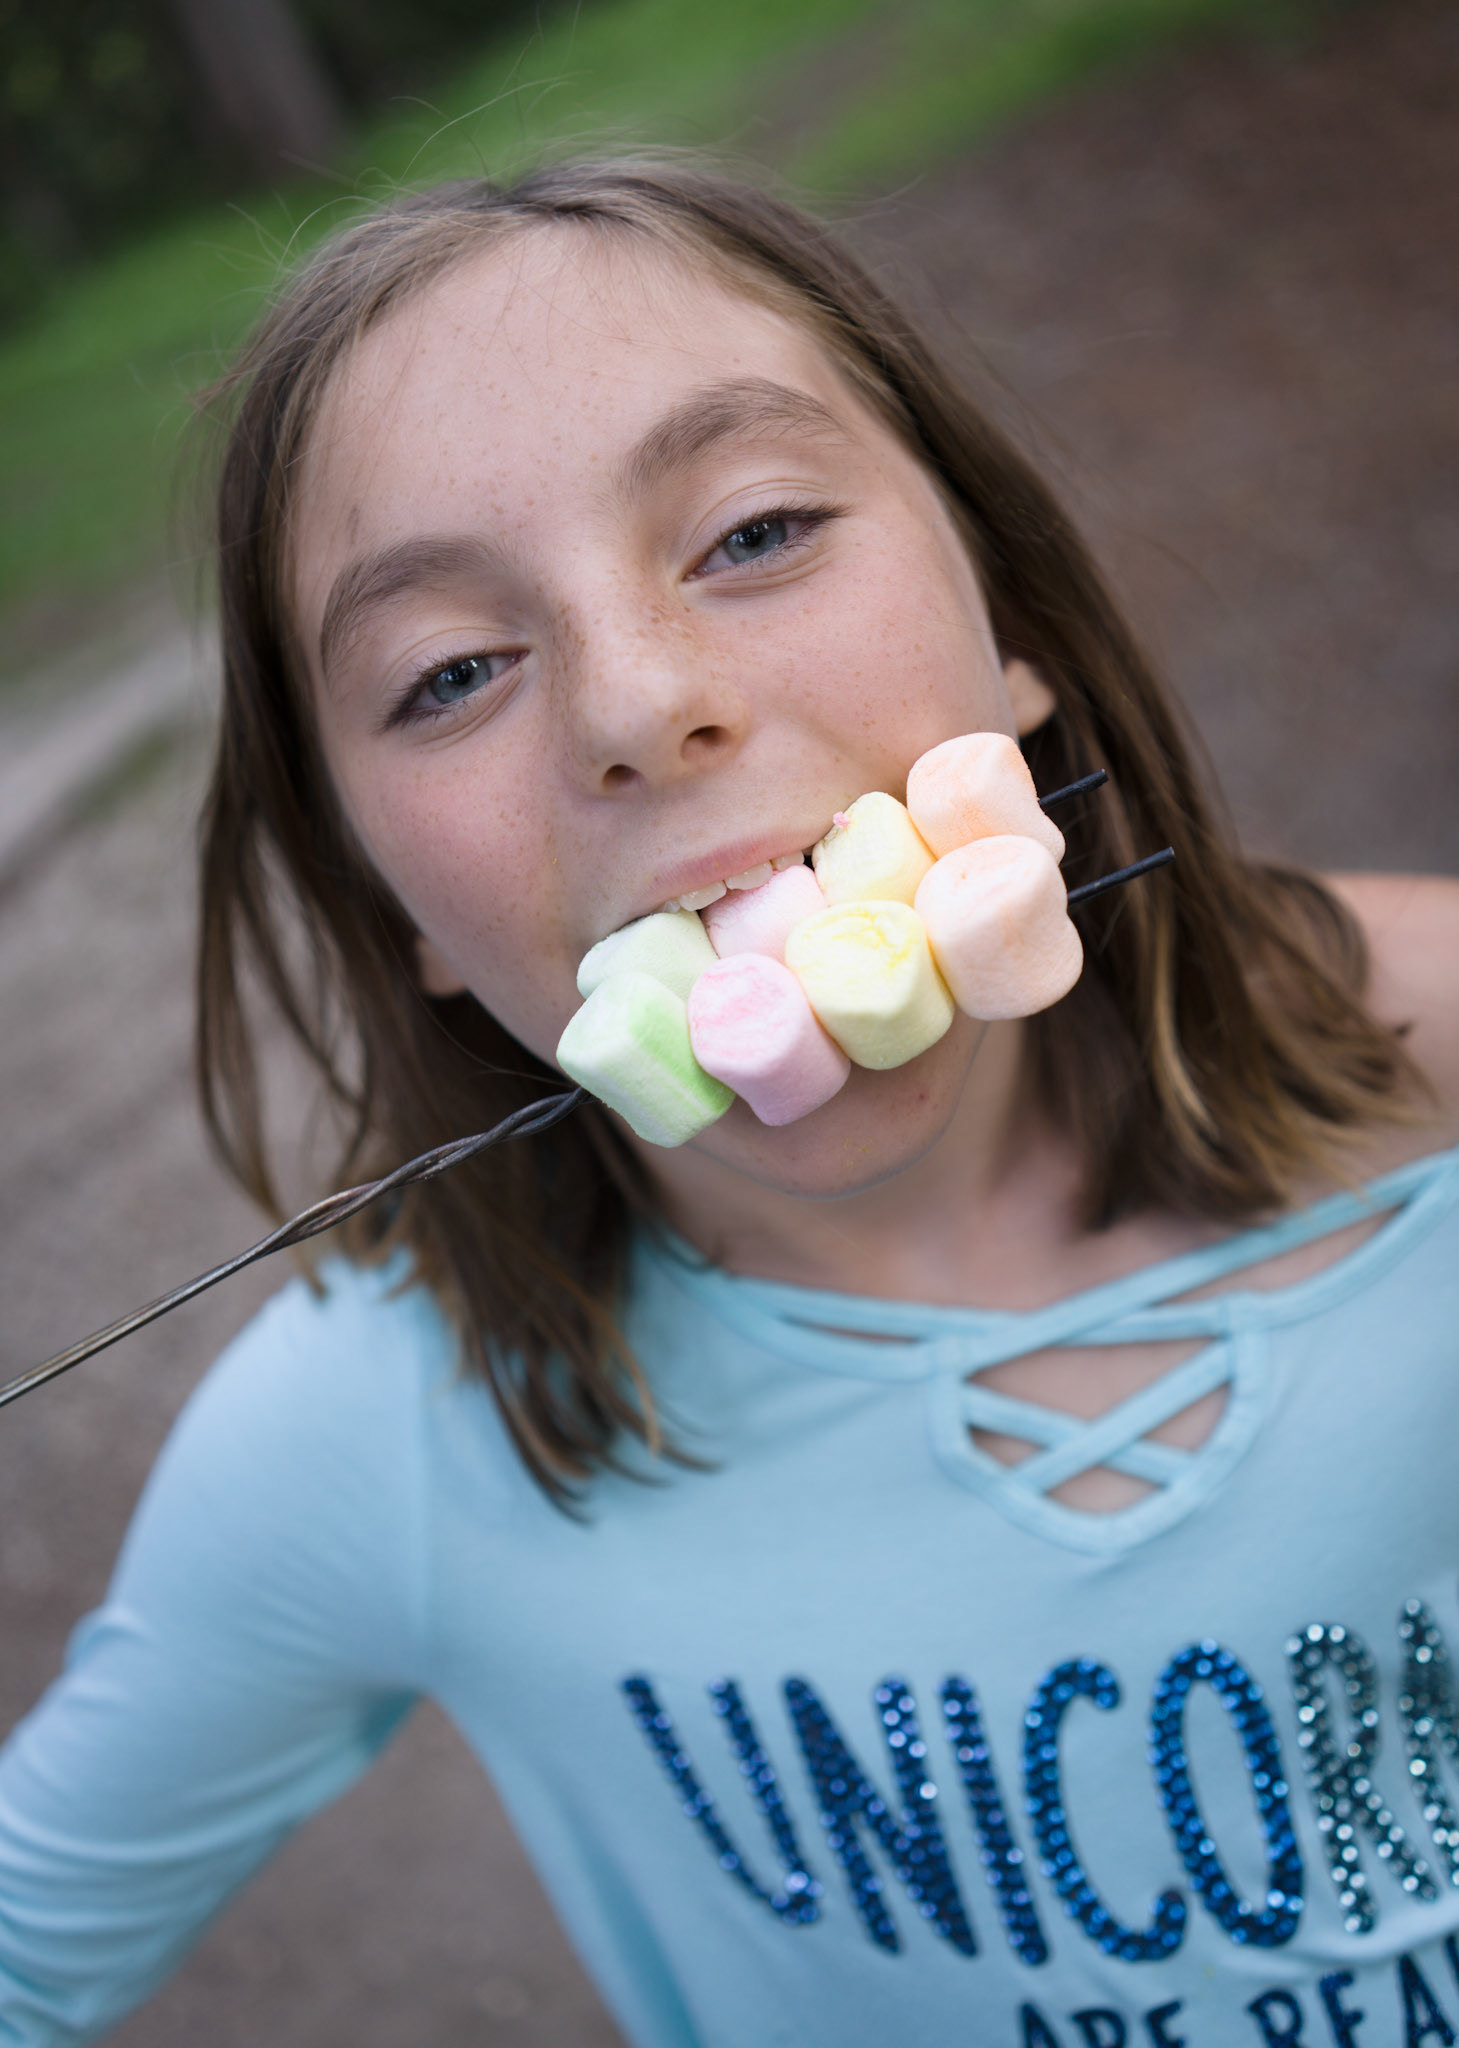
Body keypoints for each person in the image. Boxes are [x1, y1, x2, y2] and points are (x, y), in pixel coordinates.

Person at [1, 155, 1457, 2048]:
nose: (637, 704)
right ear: (394, 902)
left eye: (756, 532)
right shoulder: (381, 1438)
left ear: (1011, 619)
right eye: (451, 674)